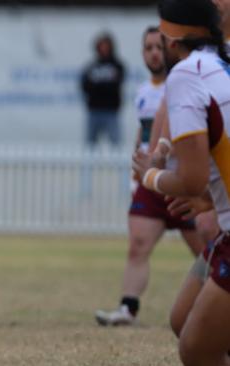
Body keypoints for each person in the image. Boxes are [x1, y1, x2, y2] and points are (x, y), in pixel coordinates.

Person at [132, 0, 230, 364]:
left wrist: (150, 176)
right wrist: (210, 198)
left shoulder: (189, 74)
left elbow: (191, 177)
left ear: (170, 39)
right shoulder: (220, 62)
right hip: (224, 225)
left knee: (196, 347)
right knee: (183, 320)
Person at [95, 26, 205, 326]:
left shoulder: (187, 83)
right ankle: (127, 308)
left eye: (159, 46)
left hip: (184, 182)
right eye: (148, 48)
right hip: (150, 183)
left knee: (207, 249)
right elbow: (143, 134)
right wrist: (137, 169)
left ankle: (214, 306)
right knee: (138, 245)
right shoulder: (143, 91)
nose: (155, 52)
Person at [80, 32, 126, 148]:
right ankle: (87, 167)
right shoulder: (91, 67)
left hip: (111, 112)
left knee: (116, 145)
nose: (104, 49)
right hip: (94, 111)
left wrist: (98, 85)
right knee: (90, 147)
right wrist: (104, 85)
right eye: (101, 46)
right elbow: (85, 86)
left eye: (106, 46)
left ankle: (119, 167)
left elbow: (116, 85)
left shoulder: (118, 66)